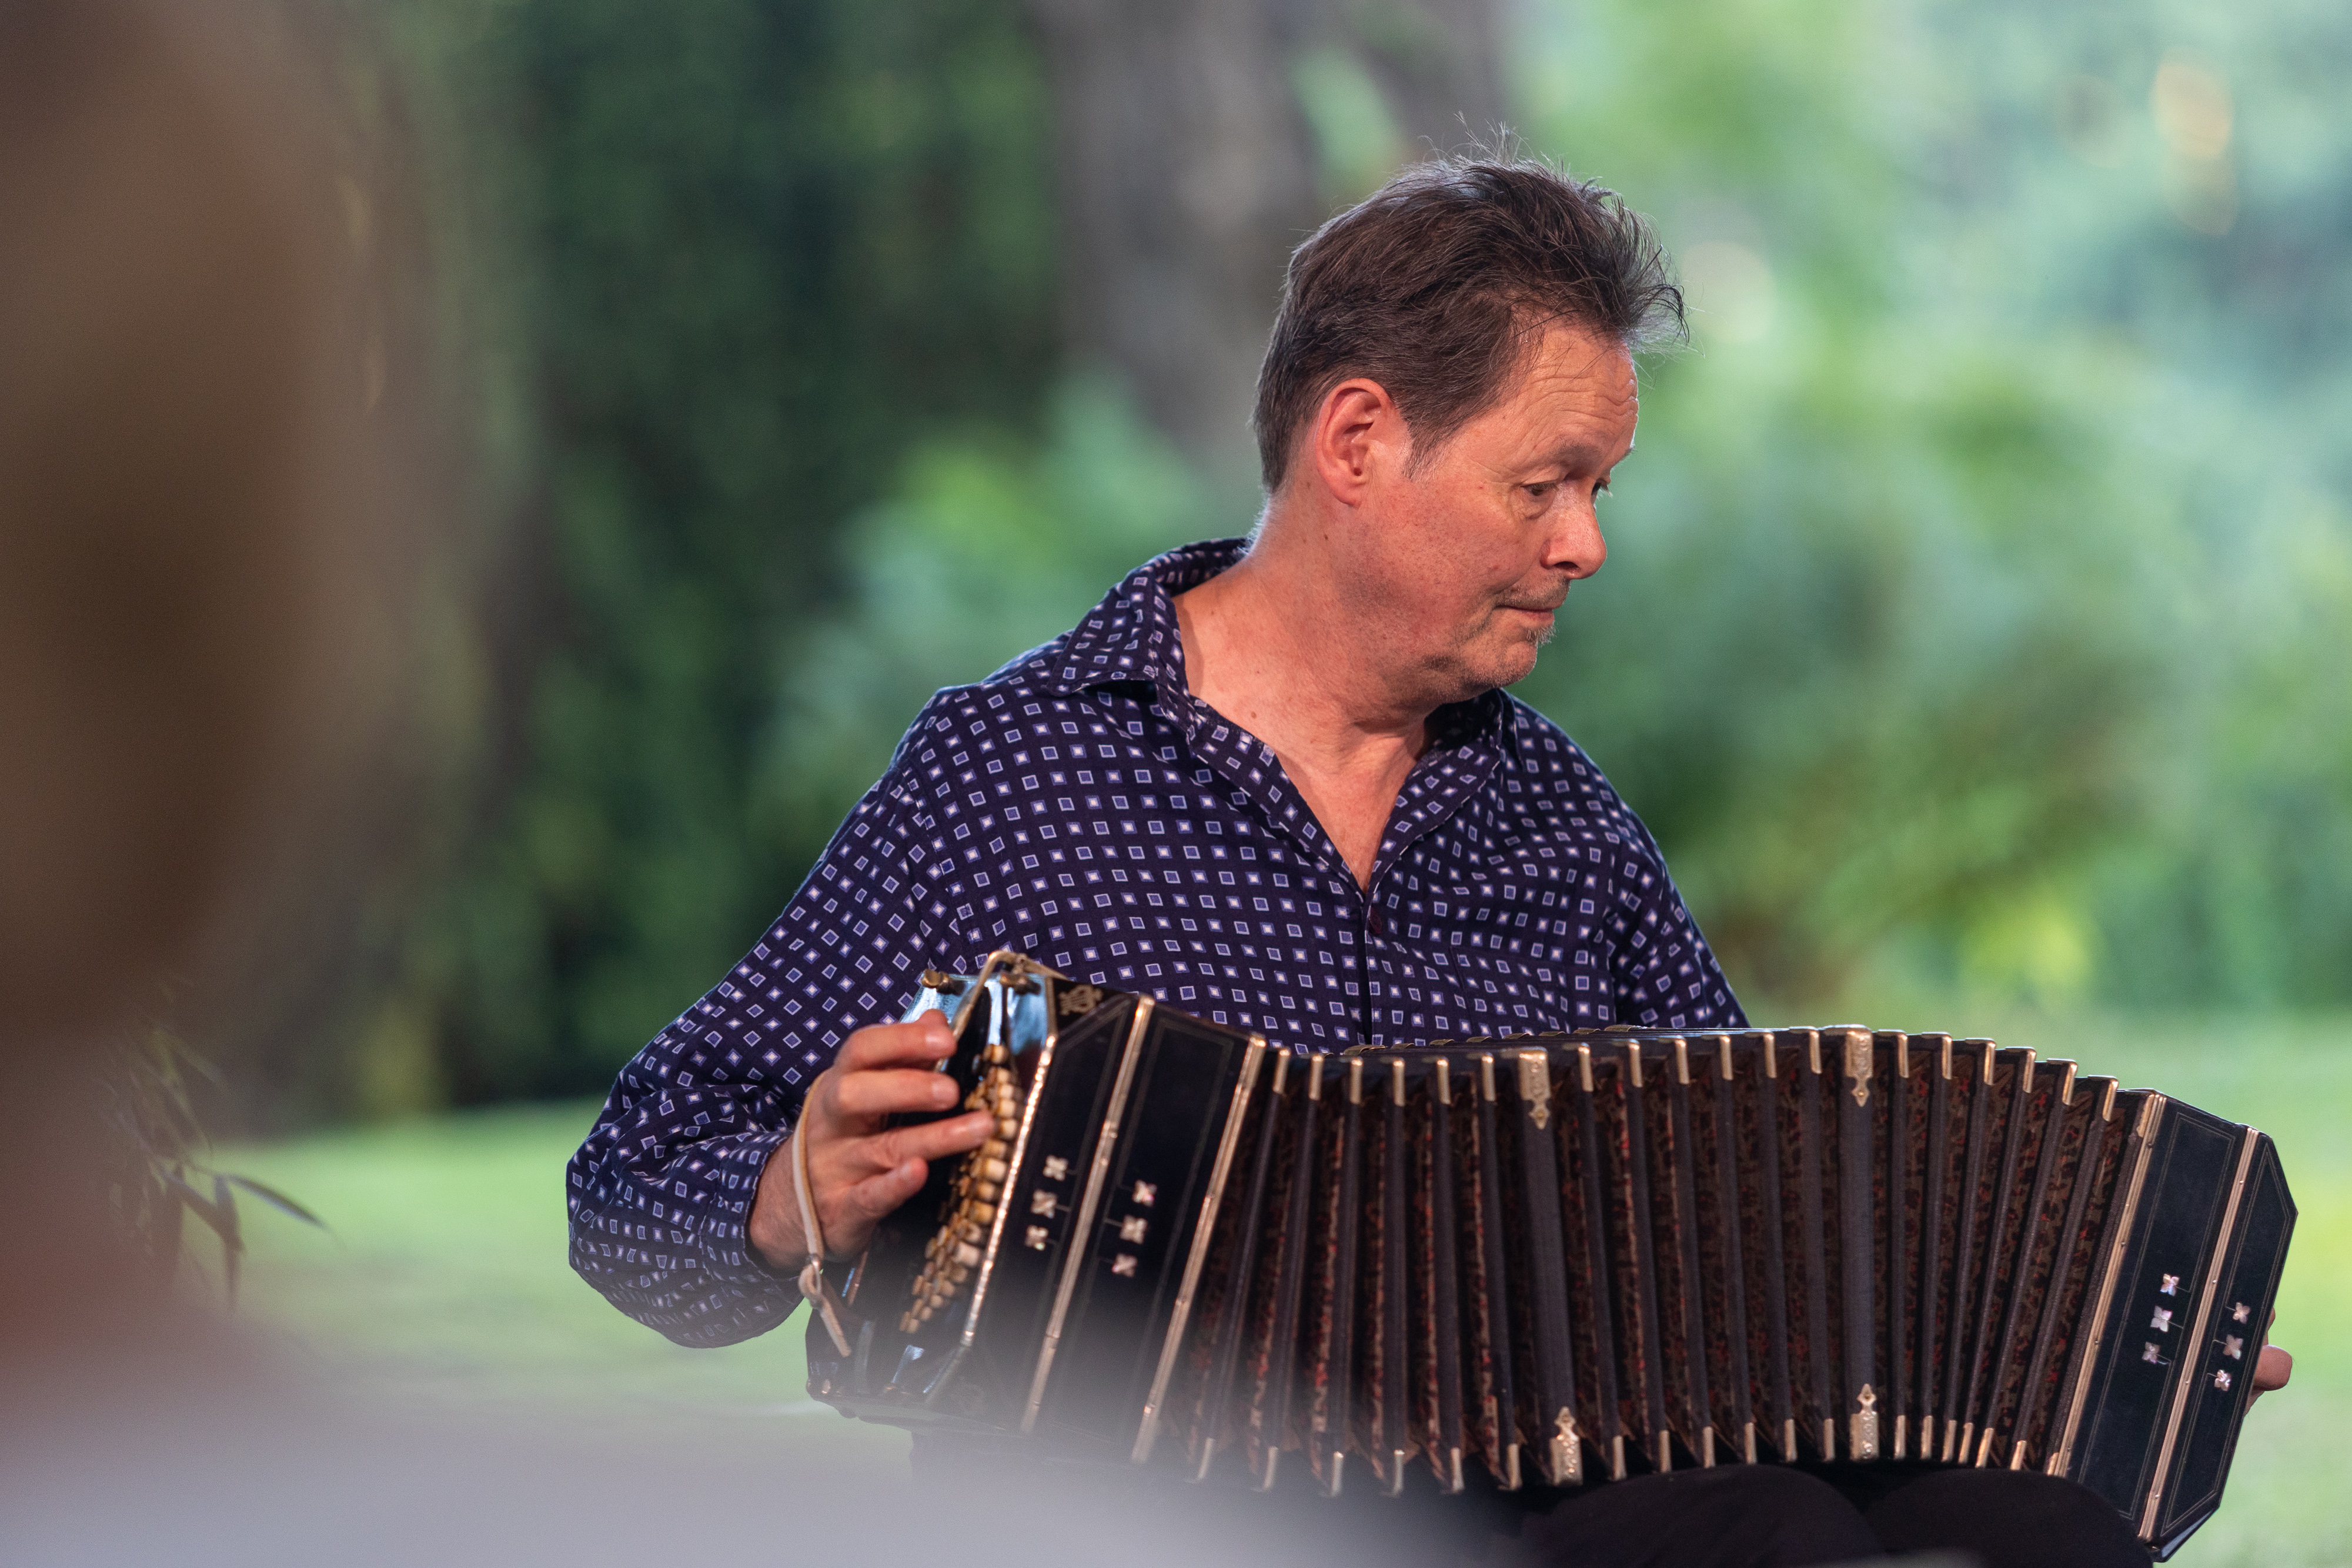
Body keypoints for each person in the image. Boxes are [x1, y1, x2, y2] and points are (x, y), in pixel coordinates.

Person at [567, 155, 2287, 1567]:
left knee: (2047, 1528)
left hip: (1566, 1493)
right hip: (1135, 1520)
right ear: (1360, 443)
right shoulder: (1012, 778)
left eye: (1605, 485)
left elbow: (1795, 1216)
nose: (1588, 544)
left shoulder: (1560, 824)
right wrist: (781, 1195)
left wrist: (2105, 1348)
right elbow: (624, 1186)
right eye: (1549, 482)